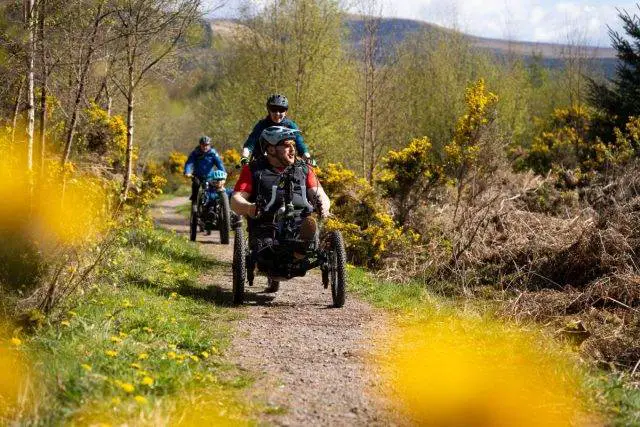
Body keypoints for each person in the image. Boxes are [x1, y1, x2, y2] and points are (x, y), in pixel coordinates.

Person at [231, 126, 330, 289]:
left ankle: (301, 248)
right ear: (270, 149)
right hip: (267, 232)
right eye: (286, 145)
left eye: (293, 145)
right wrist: (249, 208)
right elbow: (235, 200)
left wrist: (323, 207)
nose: (292, 150)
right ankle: (299, 251)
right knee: (271, 243)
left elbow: (319, 194)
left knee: (306, 229)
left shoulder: (304, 169)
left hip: (299, 227)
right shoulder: (254, 170)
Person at [241, 94, 311, 164]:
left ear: (286, 112)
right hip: (261, 162)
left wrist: (307, 157)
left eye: (281, 110)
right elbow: (251, 143)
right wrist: (244, 157)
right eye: (274, 110)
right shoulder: (261, 125)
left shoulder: (290, 125)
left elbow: (300, 143)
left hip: (285, 163)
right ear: (269, 110)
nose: (277, 113)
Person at [184, 136, 226, 203]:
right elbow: (189, 163)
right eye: (203, 145)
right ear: (200, 145)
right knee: (196, 184)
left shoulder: (213, 153)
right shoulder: (195, 153)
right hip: (197, 176)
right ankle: (194, 201)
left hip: (210, 176)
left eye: (207, 145)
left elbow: (220, 164)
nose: (205, 147)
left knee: (213, 190)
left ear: (209, 145)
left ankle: (214, 205)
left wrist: (224, 173)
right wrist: (187, 172)